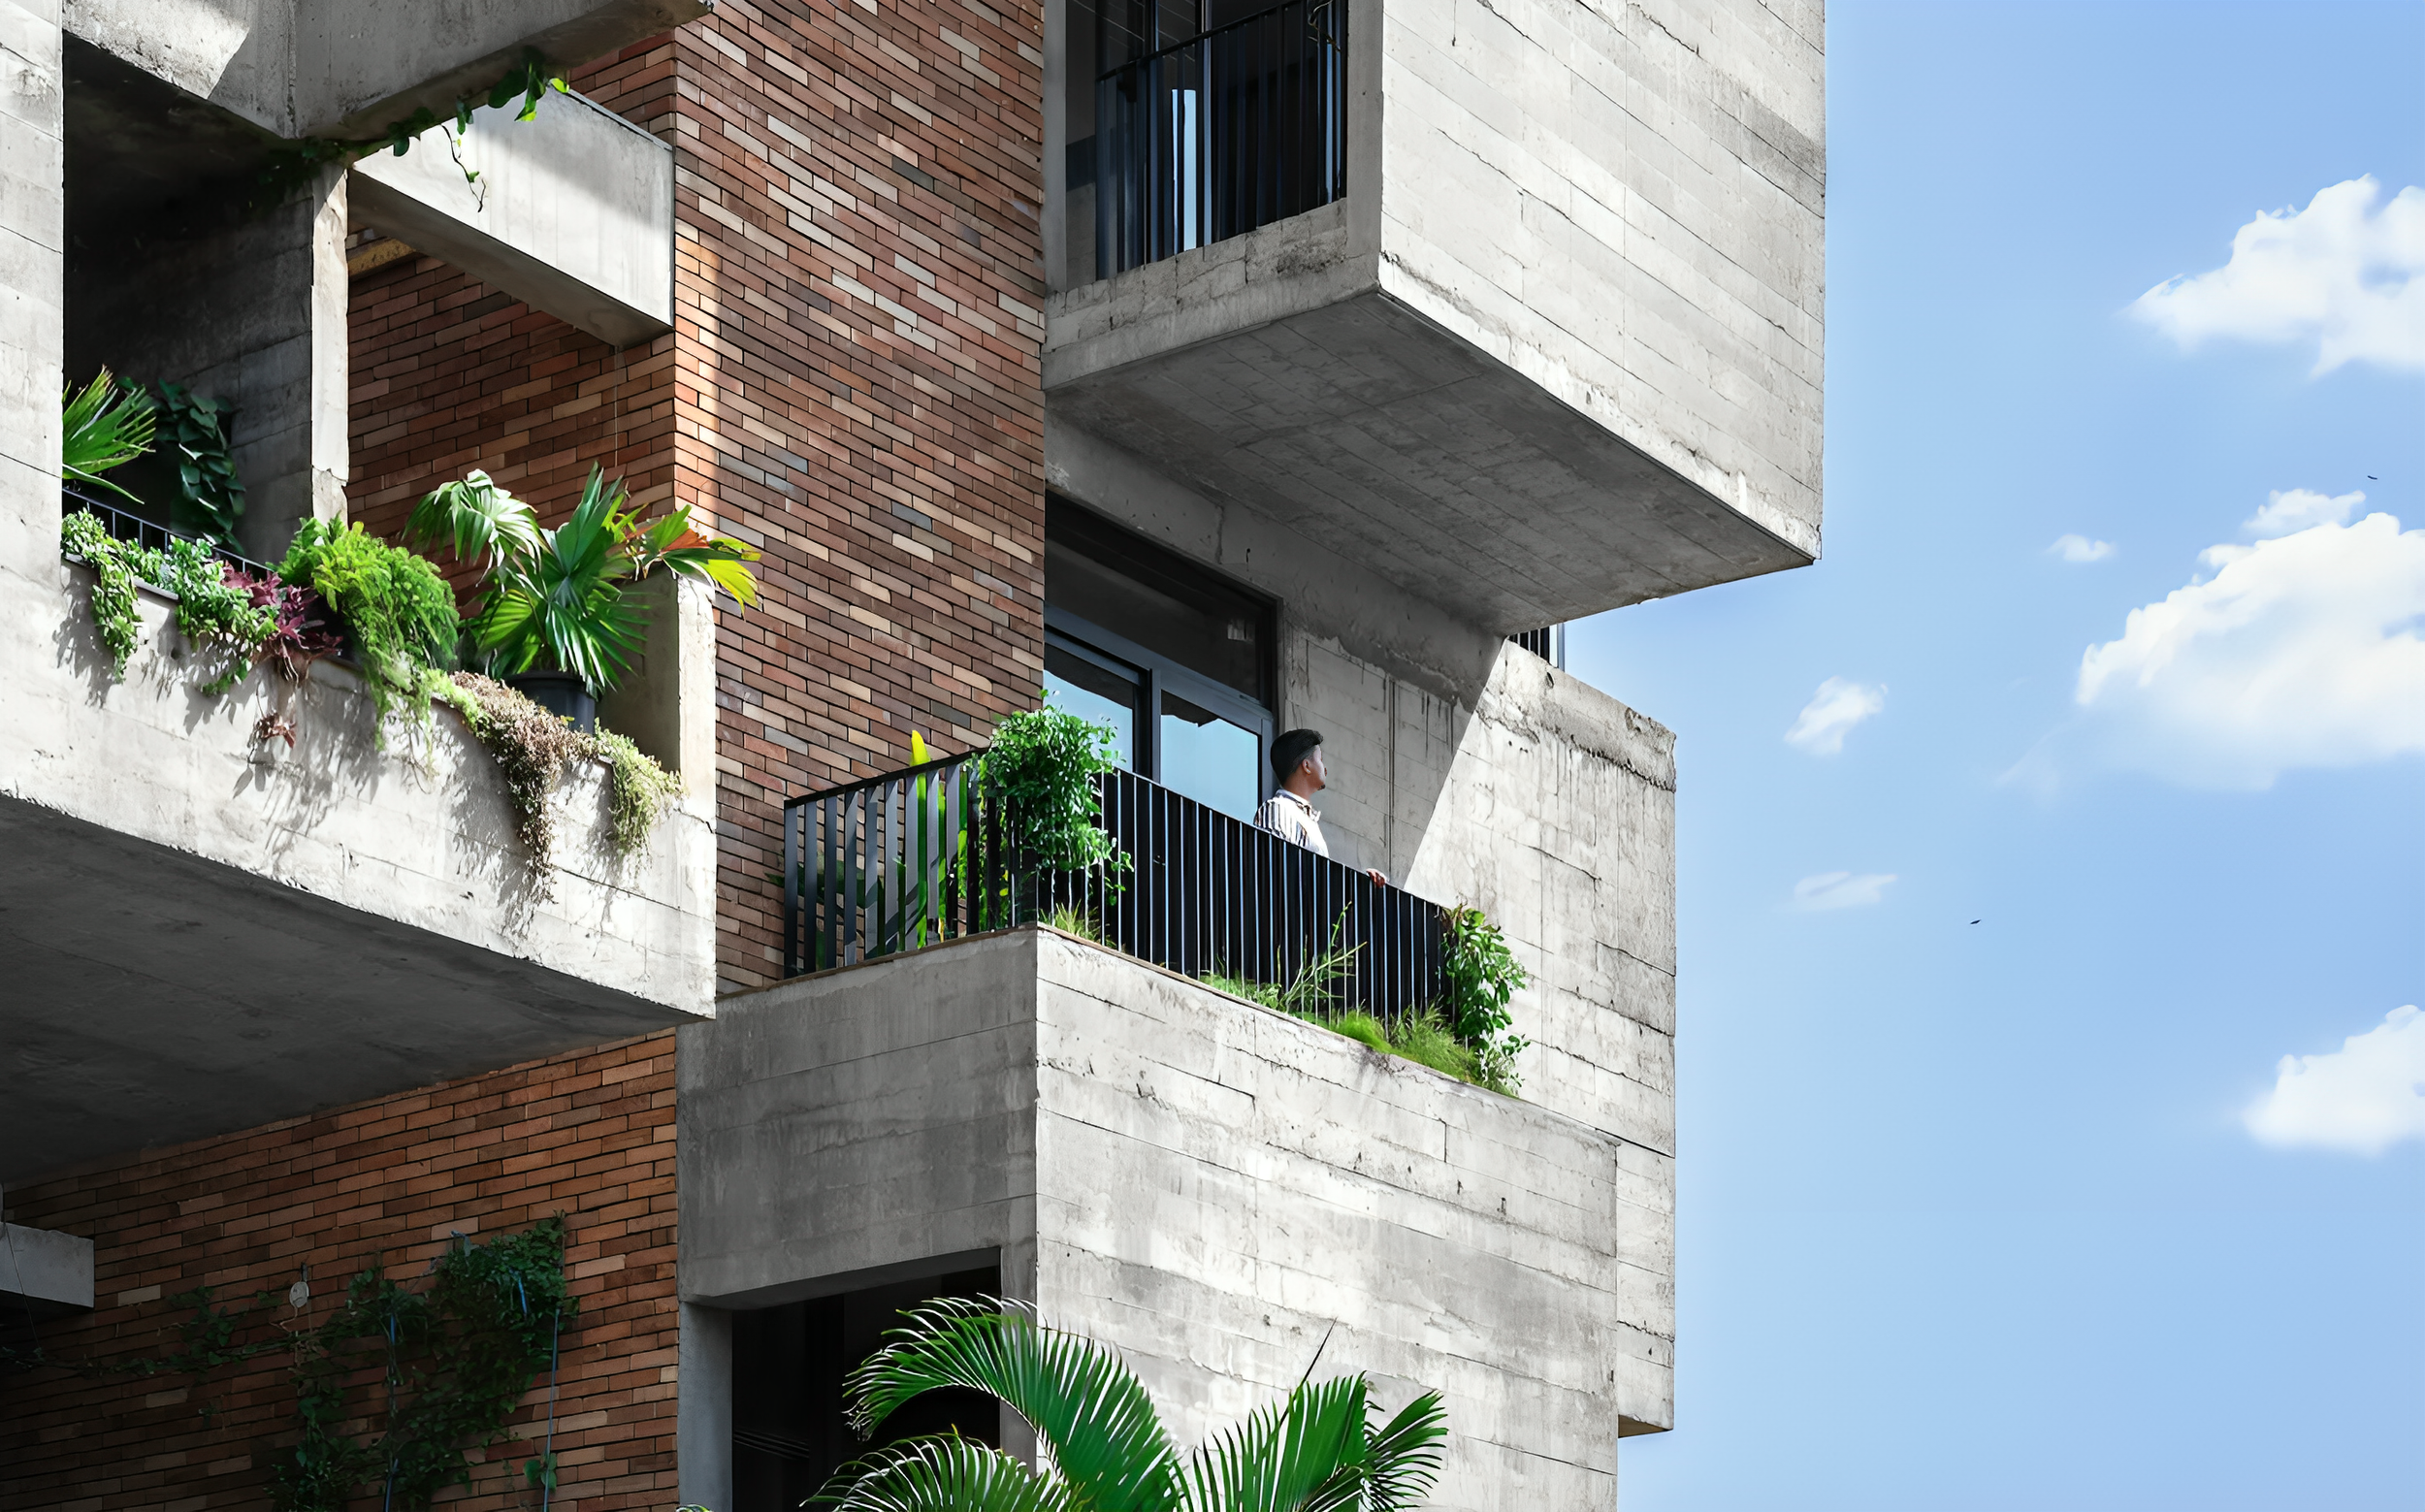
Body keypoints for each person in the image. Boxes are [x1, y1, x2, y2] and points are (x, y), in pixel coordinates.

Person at [1254, 728, 1387, 885]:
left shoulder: (1306, 819)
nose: (1325, 768)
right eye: (1320, 759)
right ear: (1307, 766)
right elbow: (1274, 871)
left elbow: (1318, 879)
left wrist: (1359, 880)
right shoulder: (1278, 809)